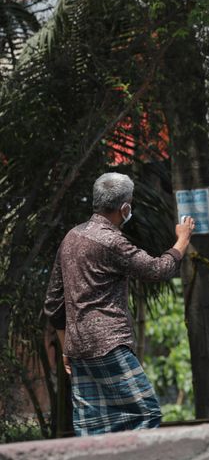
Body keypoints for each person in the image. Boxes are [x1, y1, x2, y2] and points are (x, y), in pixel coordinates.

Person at [44, 172, 194, 436]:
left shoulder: (70, 238)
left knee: (92, 427)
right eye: (130, 204)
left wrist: (66, 343)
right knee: (146, 413)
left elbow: (53, 303)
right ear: (125, 208)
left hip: (78, 349)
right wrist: (182, 240)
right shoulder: (111, 241)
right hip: (109, 345)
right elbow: (156, 270)